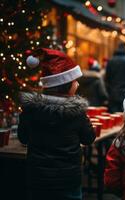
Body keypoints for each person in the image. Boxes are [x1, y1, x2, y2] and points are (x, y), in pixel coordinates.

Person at [18, 48, 96, 200]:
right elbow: (88, 138)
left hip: (37, 178)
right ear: (65, 84)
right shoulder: (76, 111)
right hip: (68, 179)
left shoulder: (31, 109)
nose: (78, 84)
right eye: (75, 81)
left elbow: (23, 138)